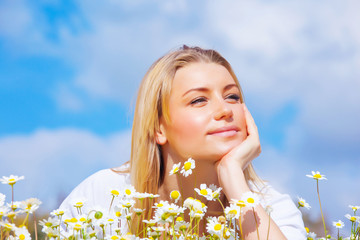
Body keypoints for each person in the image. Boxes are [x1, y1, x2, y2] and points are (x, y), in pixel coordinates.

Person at [59, 45, 306, 239]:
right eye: (198, 100)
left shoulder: (271, 208)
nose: (225, 110)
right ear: (158, 128)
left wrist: (236, 183)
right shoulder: (103, 198)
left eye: (232, 96)